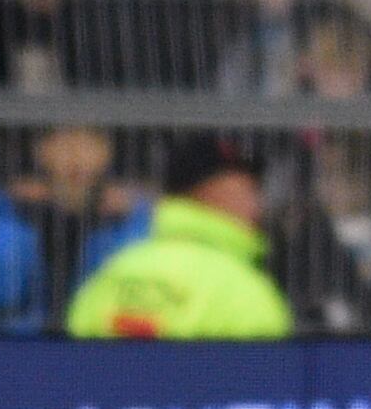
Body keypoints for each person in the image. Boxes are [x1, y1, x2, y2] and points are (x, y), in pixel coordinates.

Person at [65, 138, 295, 340]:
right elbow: (264, 379)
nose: (257, 204)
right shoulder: (242, 290)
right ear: (206, 192)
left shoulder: (116, 269)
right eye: (246, 189)